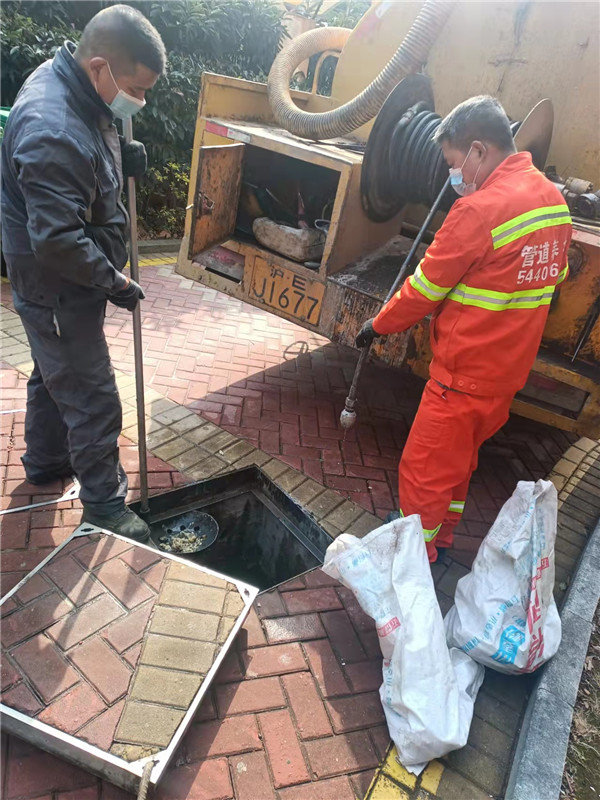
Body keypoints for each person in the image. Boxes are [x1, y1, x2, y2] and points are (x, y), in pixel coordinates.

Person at [355, 96, 572, 563]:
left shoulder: (479, 211)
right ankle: (444, 536)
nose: (455, 176)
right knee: (458, 466)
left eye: (454, 163)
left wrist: (377, 324)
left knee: (424, 470)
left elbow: (423, 291)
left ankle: (417, 559)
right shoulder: (554, 202)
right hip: (503, 380)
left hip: (462, 376)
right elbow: (552, 282)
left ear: (477, 151)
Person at [1, 6, 166, 540]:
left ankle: (47, 462)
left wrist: (122, 157)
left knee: (55, 373)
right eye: (135, 89)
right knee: (90, 391)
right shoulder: (52, 130)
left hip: (59, 278)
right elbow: (59, 242)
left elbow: (90, 159)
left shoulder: (76, 86)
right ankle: (103, 506)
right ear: (100, 68)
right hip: (57, 283)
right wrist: (114, 281)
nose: (137, 102)